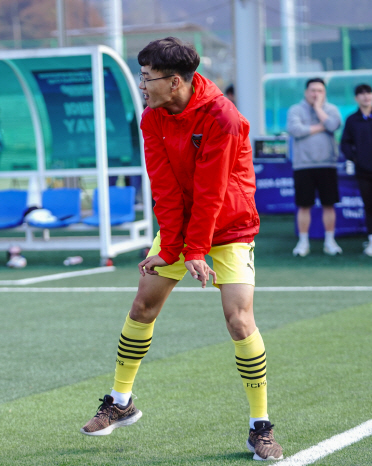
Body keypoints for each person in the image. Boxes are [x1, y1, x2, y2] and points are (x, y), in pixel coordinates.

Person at [80, 37, 283, 462]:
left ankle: (259, 427)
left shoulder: (222, 117)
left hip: (230, 224)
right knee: (142, 306)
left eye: (146, 77)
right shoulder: (152, 116)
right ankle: (120, 402)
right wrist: (172, 245)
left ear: (175, 82)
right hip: (184, 228)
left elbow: (211, 192)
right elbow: (165, 186)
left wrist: (193, 251)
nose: (141, 84)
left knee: (239, 320)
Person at [286, 78, 343, 257]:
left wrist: (318, 109)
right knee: (304, 205)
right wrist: (321, 126)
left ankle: (330, 242)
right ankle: (303, 242)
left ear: (324, 93)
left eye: (320, 90)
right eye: (312, 90)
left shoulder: (331, 109)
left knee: (329, 204)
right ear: (306, 92)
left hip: (327, 164)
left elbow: (334, 125)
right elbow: (296, 130)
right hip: (303, 165)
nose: (315, 94)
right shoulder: (295, 109)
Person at [340, 83, 372, 256]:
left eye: (368, 93)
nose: (366, 96)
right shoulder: (352, 120)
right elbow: (345, 143)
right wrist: (355, 158)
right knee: (369, 206)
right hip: (363, 172)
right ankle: (371, 240)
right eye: (361, 93)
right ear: (356, 98)